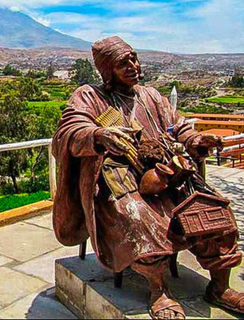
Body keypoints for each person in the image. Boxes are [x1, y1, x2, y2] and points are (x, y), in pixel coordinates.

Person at [52, 36, 244, 319]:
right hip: (118, 182)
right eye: (122, 63)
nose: (133, 66)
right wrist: (99, 135)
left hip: (167, 177)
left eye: (134, 58)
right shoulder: (89, 96)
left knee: (213, 208)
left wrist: (196, 139)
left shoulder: (152, 96)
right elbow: (68, 131)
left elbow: (177, 128)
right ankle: (158, 290)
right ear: (107, 69)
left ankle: (219, 287)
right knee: (137, 217)